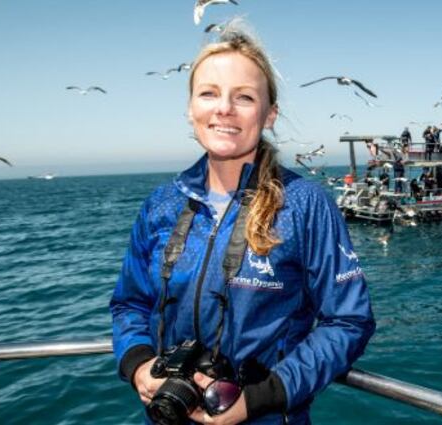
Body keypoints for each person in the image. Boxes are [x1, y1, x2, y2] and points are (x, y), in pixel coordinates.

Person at [110, 22, 375, 425]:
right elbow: (130, 302)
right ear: (190, 108)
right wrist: (139, 363)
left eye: (245, 97)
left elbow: (349, 321)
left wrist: (263, 396)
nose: (224, 109)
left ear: (269, 115)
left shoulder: (305, 205)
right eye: (209, 93)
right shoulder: (161, 205)